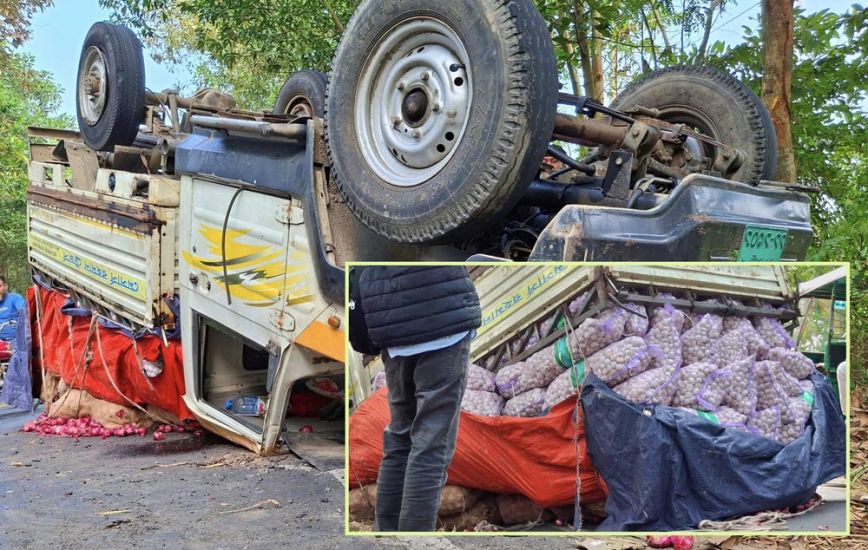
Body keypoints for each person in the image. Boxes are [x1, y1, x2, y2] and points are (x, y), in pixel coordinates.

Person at [353, 265, 481, 532]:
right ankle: (414, 540)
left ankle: (384, 536)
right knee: (431, 446)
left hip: (391, 325)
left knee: (400, 438)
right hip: (442, 325)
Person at [0, 276, 24, 343]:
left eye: (0, 286)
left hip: (14, 341)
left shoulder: (15, 298)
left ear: (6, 286)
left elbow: (24, 312)